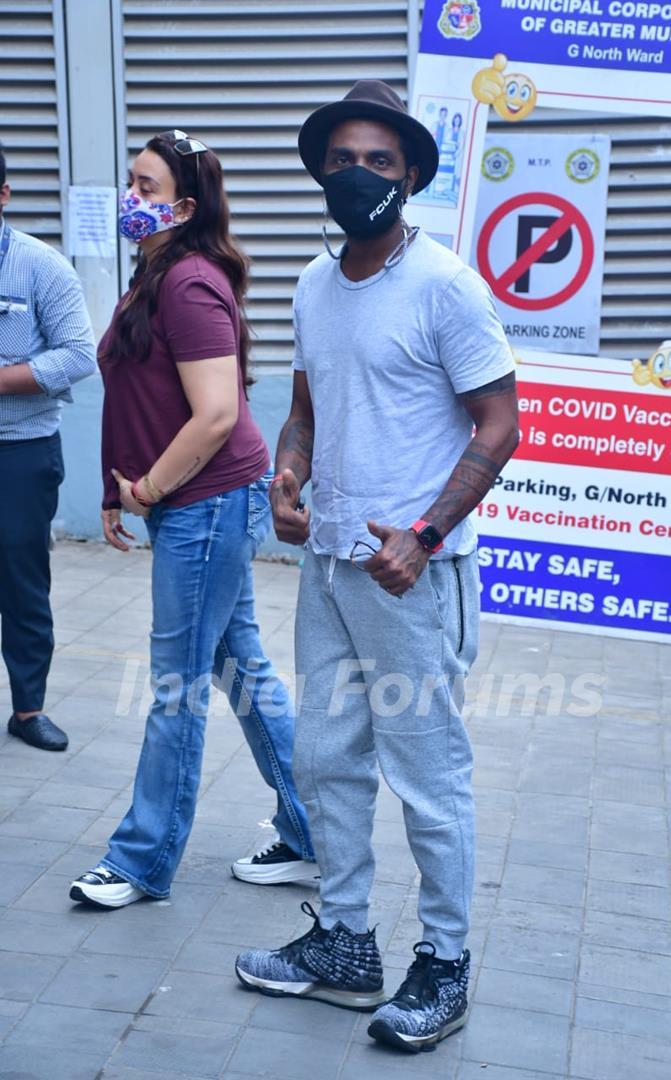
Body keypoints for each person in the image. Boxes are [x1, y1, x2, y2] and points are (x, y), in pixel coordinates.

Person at [235, 82, 519, 1052]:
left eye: (381, 162)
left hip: (410, 575)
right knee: (327, 762)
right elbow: (310, 408)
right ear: (322, 170)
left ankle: (444, 964)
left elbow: (501, 421)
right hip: (329, 564)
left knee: (429, 775)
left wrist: (428, 533)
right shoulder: (313, 285)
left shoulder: (445, 284)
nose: (359, 174)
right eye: (344, 159)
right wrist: (287, 475)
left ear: (410, 178)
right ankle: (347, 947)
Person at [69, 129, 316, 909]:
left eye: (145, 187)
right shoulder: (157, 273)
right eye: (130, 182)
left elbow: (215, 415)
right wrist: (121, 488)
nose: (129, 198)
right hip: (192, 500)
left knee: (178, 684)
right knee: (241, 669)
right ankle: (318, 832)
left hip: (206, 502)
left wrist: (146, 491)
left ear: (182, 205)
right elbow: (142, 396)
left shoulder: (189, 282)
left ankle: (142, 859)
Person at [0, 139, 96, 753]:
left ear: (3, 195)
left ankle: (29, 709)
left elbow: (79, 354)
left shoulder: (41, 266)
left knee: (21, 580)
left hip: (21, 451)